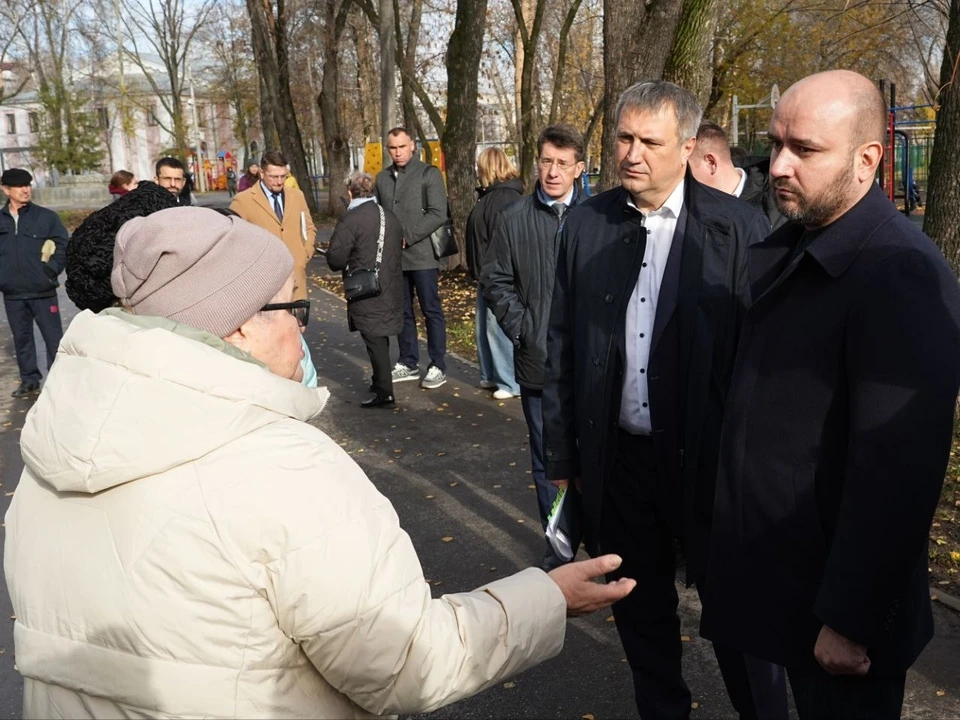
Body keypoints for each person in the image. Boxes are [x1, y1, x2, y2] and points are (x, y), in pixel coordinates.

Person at [4, 205, 636, 719]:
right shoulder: (281, 468)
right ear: (239, 325)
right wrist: (547, 598)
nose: (303, 329)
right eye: (293, 308)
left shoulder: (54, 453)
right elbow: (404, 664)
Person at [700, 69, 960, 720]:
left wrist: (851, 617)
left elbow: (899, 470)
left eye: (805, 149)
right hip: (780, 583)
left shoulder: (899, 271)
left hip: (835, 616)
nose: (777, 166)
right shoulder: (795, 243)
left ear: (867, 160)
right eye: (775, 143)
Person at [541, 81, 779, 720]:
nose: (632, 153)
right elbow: (562, 345)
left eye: (650, 141)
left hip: (711, 466)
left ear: (689, 148)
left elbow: (760, 362)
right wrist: (562, 456)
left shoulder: (739, 228)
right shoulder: (586, 224)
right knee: (640, 613)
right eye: (624, 137)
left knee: (739, 619)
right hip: (621, 463)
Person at [482, 125, 586, 571]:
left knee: (599, 457)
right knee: (549, 461)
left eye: (563, 163)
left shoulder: (599, 216)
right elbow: (495, 280)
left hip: (593, 366)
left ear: (579, 169)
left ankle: (605, 542)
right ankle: (560, 548)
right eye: (546, 161)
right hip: (539, 363)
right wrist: (525, 330)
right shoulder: (513, 218)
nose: (553, 171)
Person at [374, 127, 449, 390]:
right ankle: (408, 360)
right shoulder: (382, 178)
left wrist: (408, 236)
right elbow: (380, 213)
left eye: (402, 147)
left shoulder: (429, 173)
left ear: (412, 146)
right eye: (393, 148)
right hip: (395, 258)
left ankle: (438, 364)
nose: (398, 152)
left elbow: (438, 213)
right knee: (402, 311)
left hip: (423, 256)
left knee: (431, 310)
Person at [326, 172, 404, 408]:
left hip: (366, 288)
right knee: (379, 336)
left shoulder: (351, 219)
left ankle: (385, 393)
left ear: (350, 192)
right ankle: (380, 381)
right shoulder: (388, 215)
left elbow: (336, 259)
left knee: (373, 337)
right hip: (389, 284)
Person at [0, 168, 69, 398]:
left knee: (54, 339)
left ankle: (59, 380)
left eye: (28, 184)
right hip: (13, 293)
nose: (26, 189)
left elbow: (64, 245)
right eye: (20, 186)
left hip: (43, 290)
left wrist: (50, 271)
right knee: (22, 339)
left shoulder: (46, 217)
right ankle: (29, 380)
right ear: (6, 190)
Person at [466, 148, 523, 400]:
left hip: (498, 274)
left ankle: (509, 381)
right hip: (486, 272)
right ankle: (491, 373)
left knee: (497, 326)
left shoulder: (504, 198)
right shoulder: (493, 196)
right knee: (484, 327)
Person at [230, 150, 317, 303]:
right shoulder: (243, 201)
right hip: (263, 285)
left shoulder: (297, 196)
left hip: (296, 281)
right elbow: (233, 240)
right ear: (262, 173)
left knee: (297, 319)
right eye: (274, 177)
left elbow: (309, 227)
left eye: (283, 176)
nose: (279, 181)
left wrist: (305, 253)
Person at [689, 121, 785, 230]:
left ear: (711, 163)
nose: (681, 180)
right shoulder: (690, 213)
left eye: (685, 169)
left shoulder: (781, 204)